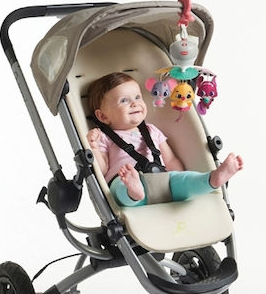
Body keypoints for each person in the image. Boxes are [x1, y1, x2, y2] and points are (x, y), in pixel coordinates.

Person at [86, 72, 243, 207]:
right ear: (103, 116)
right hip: (125, 181)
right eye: (124, 100)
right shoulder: (103, 137)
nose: (135, 103)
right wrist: (93, 147)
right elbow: (102, 169)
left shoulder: (151, 130)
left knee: (186, 180)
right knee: (119, 189)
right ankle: (133, 191)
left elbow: (170, 160)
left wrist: (179, 176)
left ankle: (212, 179)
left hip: (162, 181)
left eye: (137, 97)